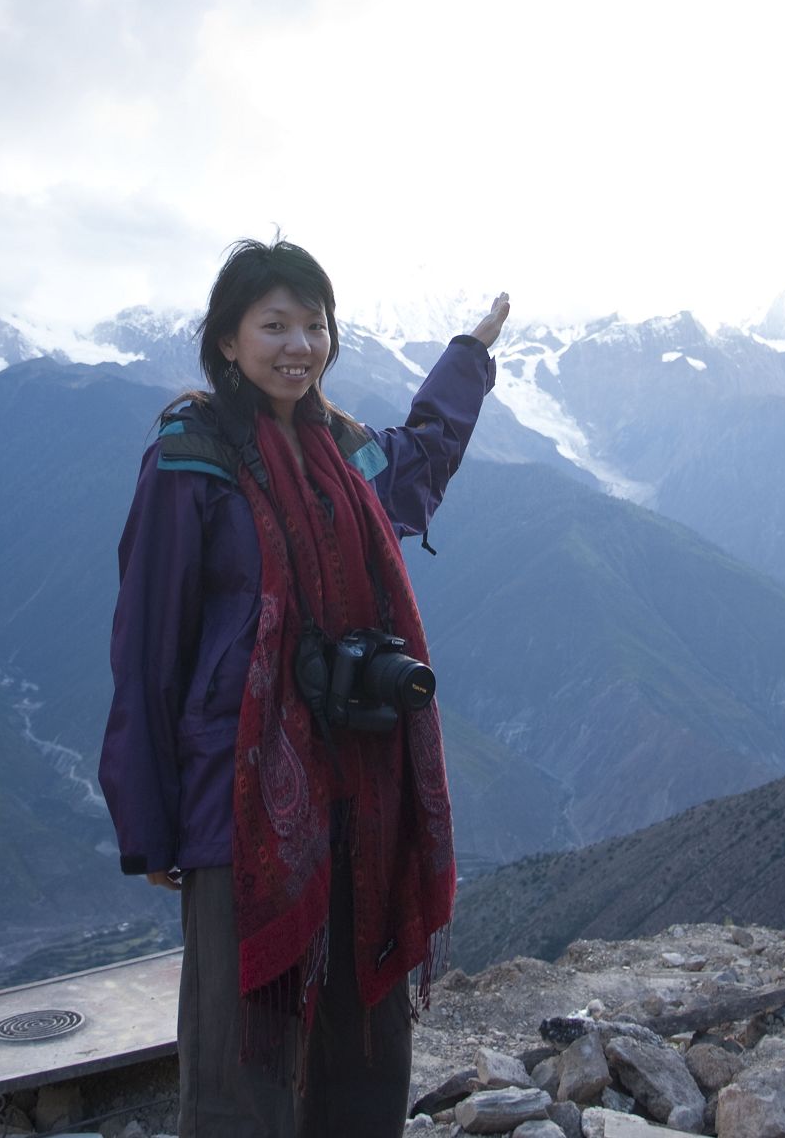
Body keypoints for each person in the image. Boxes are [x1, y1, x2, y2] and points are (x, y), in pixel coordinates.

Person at [98, 239, 509, 1138]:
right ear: (228, 340)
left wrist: (468, 360)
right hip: (237, 793)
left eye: (313, 326)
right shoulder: (190, 457)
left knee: (363, 1028)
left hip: (362, 777)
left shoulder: (346, 452)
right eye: (274, 326)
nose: (298, 346)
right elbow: (149, 645)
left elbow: (424, 456)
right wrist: (148, 817)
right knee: (242, 1037)